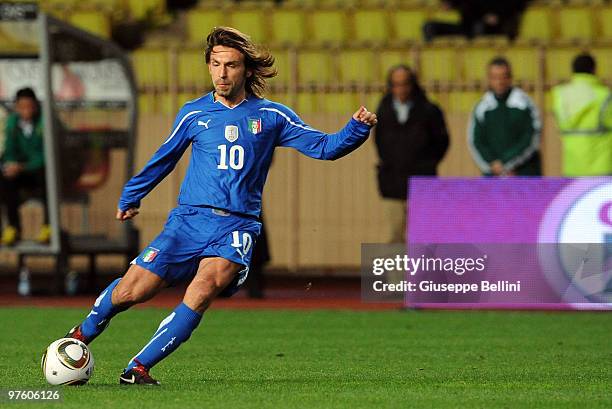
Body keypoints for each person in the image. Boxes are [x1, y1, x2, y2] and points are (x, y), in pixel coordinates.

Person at [63, 26, 377, 386]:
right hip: (187, 221)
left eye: (230, 65)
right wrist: (132, 194)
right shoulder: (194, 113)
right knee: (134, 290)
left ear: (246, 70)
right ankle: (82, 334)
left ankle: (137, 368)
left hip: (237, 227)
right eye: (215, 64)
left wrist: (355, 128)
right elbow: (164, 159)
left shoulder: (273, 116)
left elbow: (324, 147)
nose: (222, 73)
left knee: (204, 287)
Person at [374, 65, 449, 243]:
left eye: (405, 84)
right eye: (396, 84)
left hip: (423, 179)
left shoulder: (429, 110)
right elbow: (379, 142)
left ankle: (422, 271)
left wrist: (427, 163)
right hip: (393, 181)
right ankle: (397, 272)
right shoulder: (384, 110)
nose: (401, 89)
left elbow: (442, 142)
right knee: (396, 235)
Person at [468, 57, 541, 177]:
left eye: (503, 77)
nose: (499, 82)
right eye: (495, 77)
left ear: (510, 78)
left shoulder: (524, 104)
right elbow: (476, 141)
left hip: (523, 174)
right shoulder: (482, 106)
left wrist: (506, 163)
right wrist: (492, 164)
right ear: (489, 79)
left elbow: (531, 138)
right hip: (492, 175)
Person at [0, 87, 50, 246]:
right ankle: (13, 227)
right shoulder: (13, 123)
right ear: (17, 107)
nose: (26, 110)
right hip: (22, 172)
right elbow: (9, 150)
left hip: (39, 171)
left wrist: (23, 166)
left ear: (35, 106)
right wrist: (11, 165)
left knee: (48, 178)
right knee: (5, 178)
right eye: (22, 107)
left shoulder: (44, 122)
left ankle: (48, 226)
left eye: (30, 106)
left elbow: (46, 155)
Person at [552, 53, 612, 176]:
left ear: (573, 71)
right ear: (594, 70)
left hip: (572, 168)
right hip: (601, 169)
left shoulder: (561, 95)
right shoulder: (605, 96)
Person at [423, 0, 529, 42]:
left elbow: (517, 4)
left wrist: (499, 16)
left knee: (479, 27)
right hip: (466, 27)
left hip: (494, 28)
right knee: (429, 26)